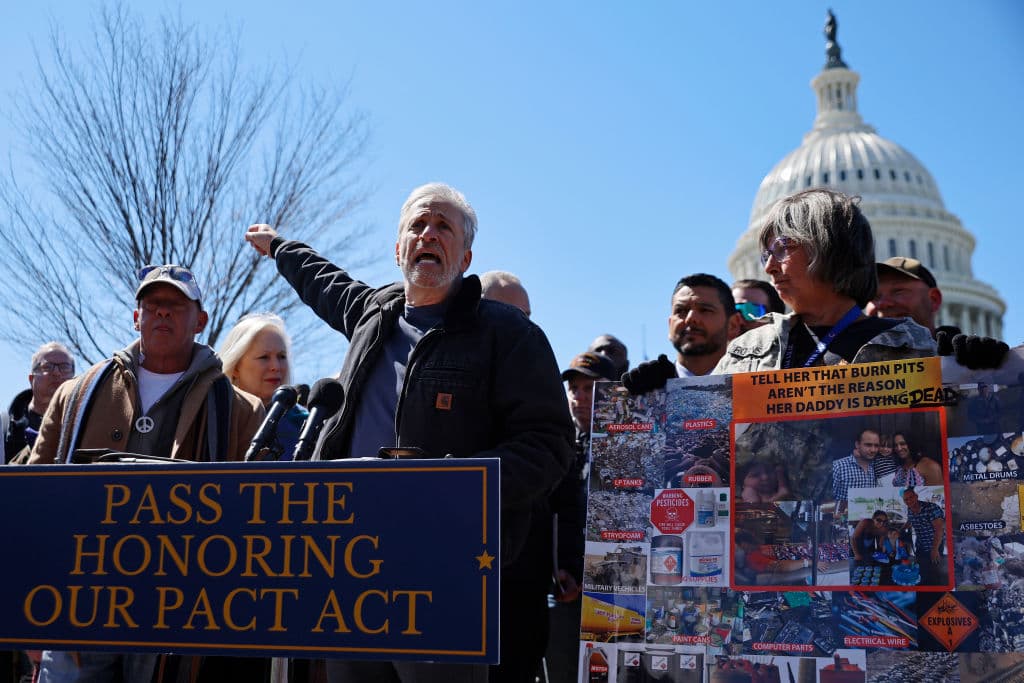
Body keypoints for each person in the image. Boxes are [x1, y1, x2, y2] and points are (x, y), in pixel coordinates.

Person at [245, 182, 574, 683]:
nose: (428, 234)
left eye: (444, 226)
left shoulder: (508, 335)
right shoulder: (372, 315)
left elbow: (549, 444)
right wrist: (280, 247)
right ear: (398, 249)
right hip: (348, 568)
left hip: (446, 569)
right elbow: (323, 280)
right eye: (417, 225)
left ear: (466, 255)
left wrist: (454, 487)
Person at [28, 264, 264, 683]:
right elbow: (30, 501)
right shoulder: (75, 394)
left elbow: (255, 521)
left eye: (175, 305)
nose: (162, 314)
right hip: (78, 605)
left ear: (201, 320)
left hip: (182, 611)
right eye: (152, 305)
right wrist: (25, 605)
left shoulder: (241, 410)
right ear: (136, 317)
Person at [714, 189, 936, 374]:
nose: (769, 267)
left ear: (830, 248)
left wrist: (964, 372)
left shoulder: (912, 345)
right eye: (766, 254)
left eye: (783, 248)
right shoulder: (748, 348)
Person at [544, 351, 617, 683]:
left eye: (591, 388)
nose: (581, 397)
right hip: (564, 592)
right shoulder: (553, 444)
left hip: (618, 599)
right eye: (575, 388)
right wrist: (558, 571)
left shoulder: (636, 447)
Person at [865, 256, 1008, 368]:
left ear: (934, 299)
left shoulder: (965, 360)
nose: (883, 304)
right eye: (874, 296)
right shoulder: (850, 361)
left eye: (898, 292)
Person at [621, 274, 741, 392]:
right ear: (670, 325)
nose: (690, 318)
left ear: (732, 325)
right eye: (681, 310)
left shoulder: (752, 386)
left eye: (705, 310)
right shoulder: (644, 389)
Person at [219, 312, 309, 459]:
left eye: (281, 357)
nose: (276, 366)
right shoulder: (215, 418)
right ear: (235, 367)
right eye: (264, 357)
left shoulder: (305, 425)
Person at [3, 342, 75, 464]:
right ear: (32, 379)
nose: (57, 373)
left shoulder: (87, 425)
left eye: (64, 367)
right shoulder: (5, 427)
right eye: (47, 367)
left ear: (75, 379)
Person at [902, 487, 946, 584]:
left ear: (916, 496)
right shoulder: (910, 509)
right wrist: (901, 530)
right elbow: (910, 520)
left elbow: (939, 529)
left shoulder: (931, 508)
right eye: (906, 499)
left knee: (934, 570)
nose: (909, 500)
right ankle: (924, 587)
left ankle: (936, 589)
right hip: (920, 544)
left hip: (934, 545)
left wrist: (934, 550)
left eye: (911, 497)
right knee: (921, 567)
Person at [831, 429, 882, 507]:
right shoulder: (838, 467)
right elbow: (826, 501)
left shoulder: (878, 466)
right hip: (845, 518)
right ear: (857, 445)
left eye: (876, 446)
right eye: (868, 445)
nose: (873, 450)